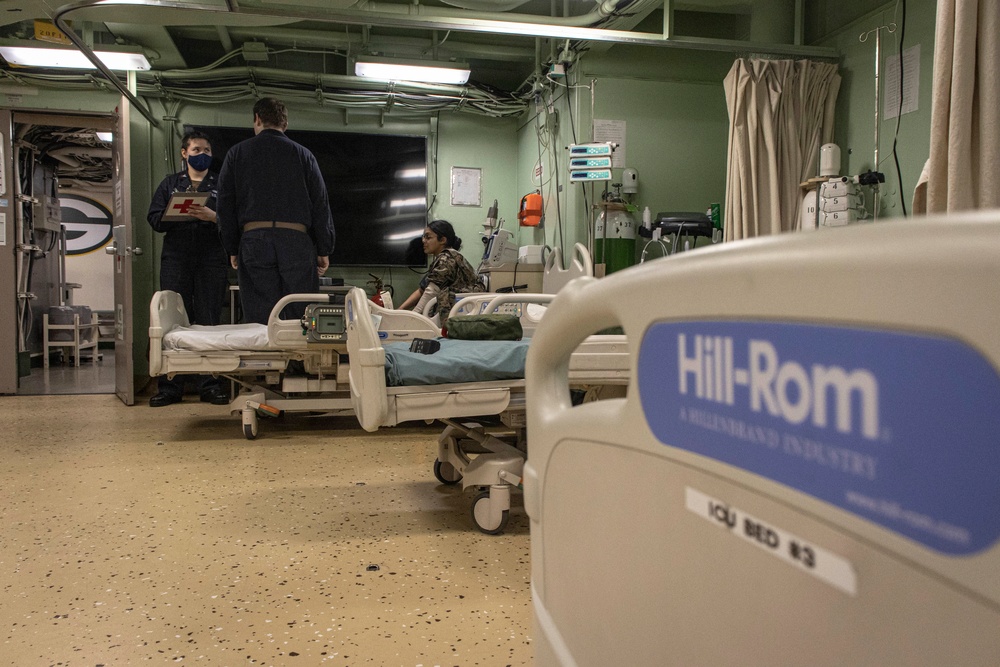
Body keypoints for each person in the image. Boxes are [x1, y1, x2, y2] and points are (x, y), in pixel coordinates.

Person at [216, 97, 335, 325]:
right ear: (285, 124)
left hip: (254, 241)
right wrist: (323, 249)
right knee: (302, 316)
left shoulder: (236, 154)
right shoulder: (304, 155)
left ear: (257, 119)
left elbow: (225, 205)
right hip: (296, 242)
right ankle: (300, 361)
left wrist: (231, 247)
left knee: (261, 318)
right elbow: (320, 203)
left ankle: (266, 359)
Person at [147, 130, 230, 407]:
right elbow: (155, 219)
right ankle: (170, 388)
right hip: (177, 258)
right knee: (172, 321)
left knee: (208, 319)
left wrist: (212, 216)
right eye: (196, 150)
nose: (202, 154)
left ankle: (211, 385)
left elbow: (234, 221)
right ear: (184, 153)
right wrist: (177, 214)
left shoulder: (222, 183)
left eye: (206, 150)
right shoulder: (171, 184)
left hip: (211, 259)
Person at [399, 219, 484, 323]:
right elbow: (422, 290)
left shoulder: (446, 259)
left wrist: (412, 319)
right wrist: (400, 310)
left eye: (428, 237)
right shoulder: (446, 257)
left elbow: (431, 292)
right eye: (423, 237)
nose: (423, 240)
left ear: (442, 240)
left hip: (459, 316)